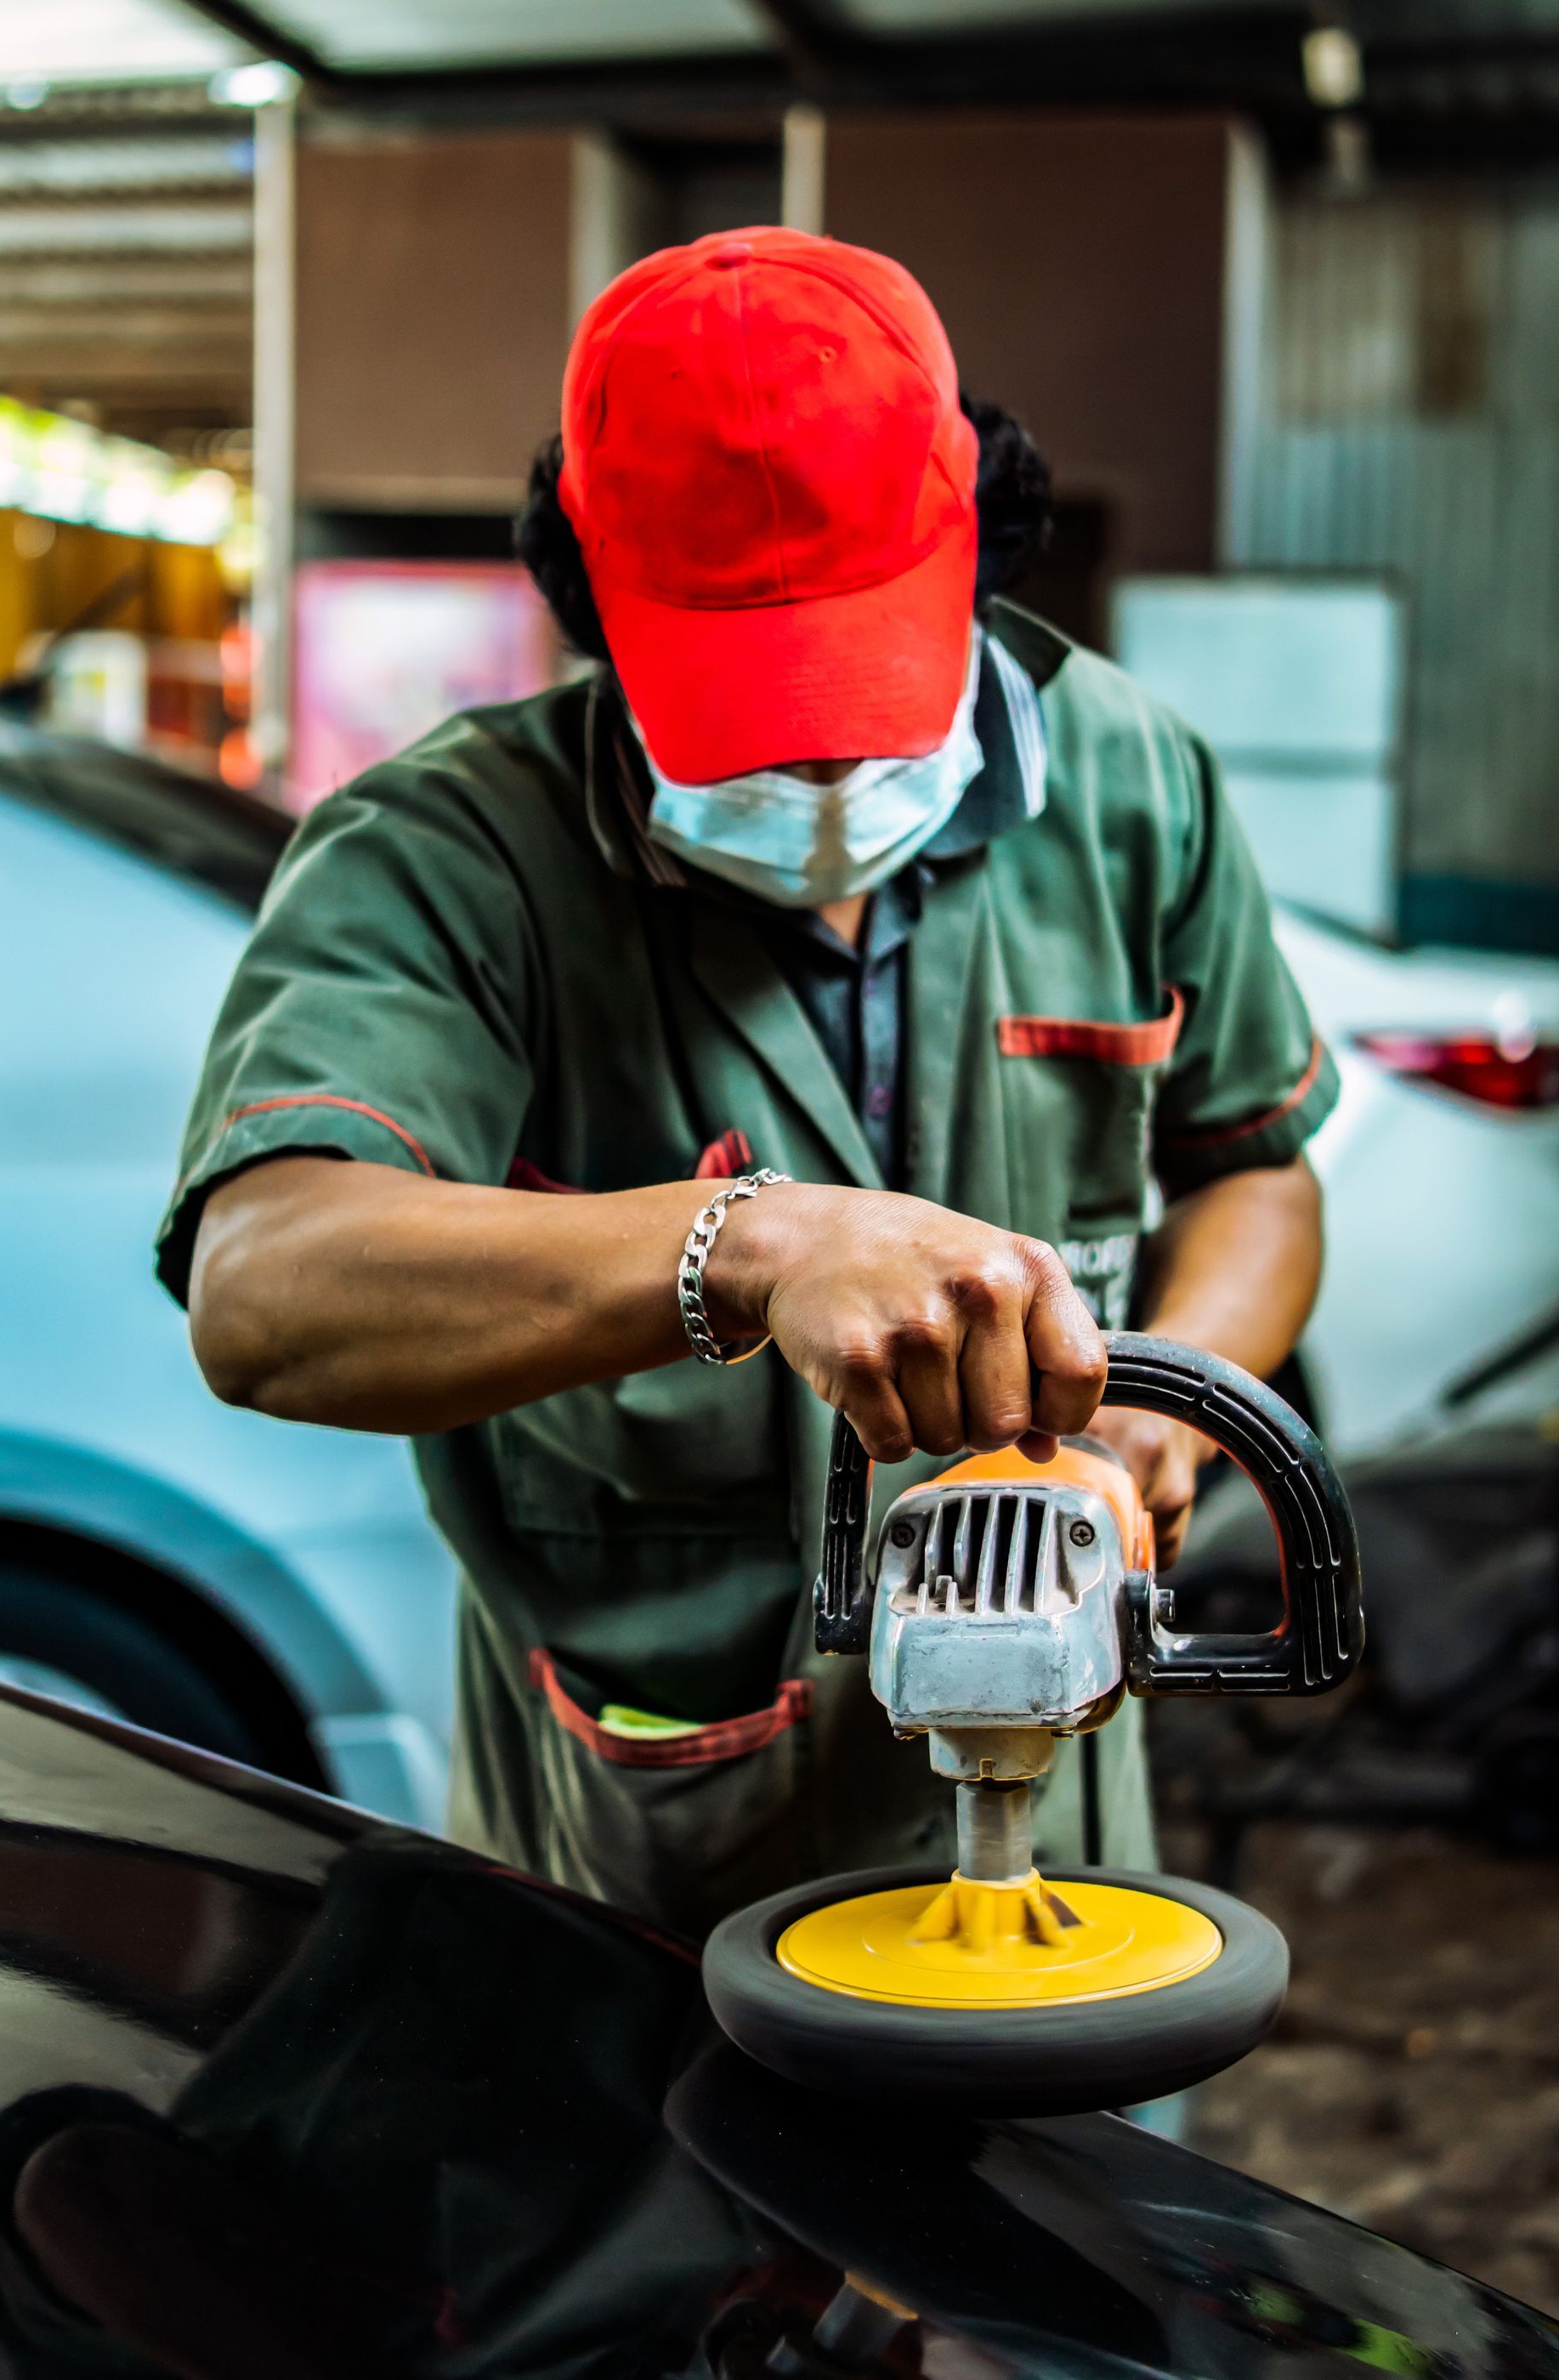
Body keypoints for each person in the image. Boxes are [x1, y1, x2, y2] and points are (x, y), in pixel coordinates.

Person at [156, 228, 1334, 1937]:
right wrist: (746, 1249)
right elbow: (268, 1292)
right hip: (662, 1817)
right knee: (665, 2191)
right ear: (592, 597)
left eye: (861, 703)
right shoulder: (452, 856)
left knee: (1064, 2203)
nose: (830, 779)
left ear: (977, 531)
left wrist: (1164, 1418)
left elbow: (1261, 1167)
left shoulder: (1134, 787)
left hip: (1069, 1794)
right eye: (757, 726)